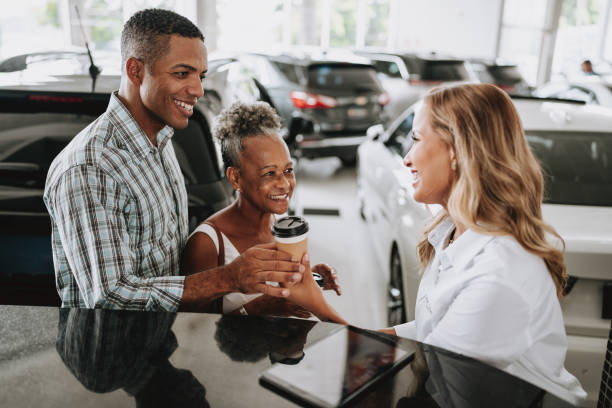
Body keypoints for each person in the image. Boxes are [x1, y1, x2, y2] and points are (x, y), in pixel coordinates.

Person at [286, 83, 586, 403]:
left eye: (415, 139)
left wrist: (317, 313)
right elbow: (426, 337)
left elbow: (430, 371)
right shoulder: (453, 231)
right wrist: (314, 303)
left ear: (455, 150)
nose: (406, 158)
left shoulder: (497, 276)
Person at [43, 8, 303, 312]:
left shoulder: (162, 140)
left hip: (165, 345)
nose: (198, 90)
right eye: (182, 73)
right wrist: (227, 279)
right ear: (135, 70)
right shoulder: (91, 167)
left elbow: (171, 263)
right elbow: (111, 296)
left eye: (200, 75)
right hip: (114, 356)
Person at [181, 101, 341, 317]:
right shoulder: (206, 244)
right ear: (235, 178)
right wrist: (257, 309)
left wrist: (309, 280)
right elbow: (192, 334)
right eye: (269, 173)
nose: (284, 184)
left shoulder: (280, 223)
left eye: (288, 170)